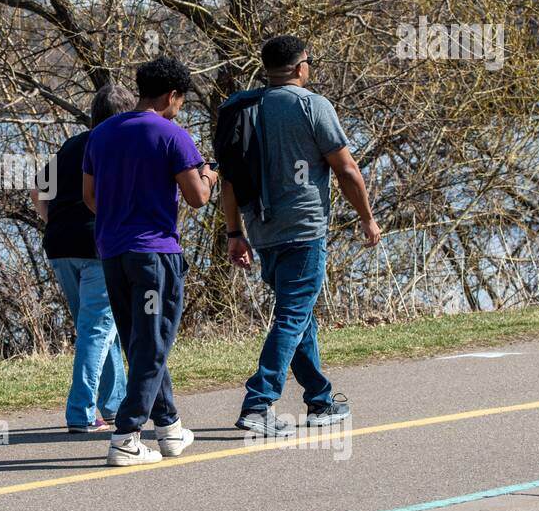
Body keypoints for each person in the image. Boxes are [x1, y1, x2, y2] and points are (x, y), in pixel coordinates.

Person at [221, 35, 381, 436]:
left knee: (299, 314)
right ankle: (259, 402)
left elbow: (228, 179)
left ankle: (320, 400)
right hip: (304, 228)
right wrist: (367, 218)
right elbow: (346, 169)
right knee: (293, 315)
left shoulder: (241, 108)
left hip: (261, 229)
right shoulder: (312, 105)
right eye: (308, 61)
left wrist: (234, 232)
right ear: (298, 67)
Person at [82, 56, 218, 466]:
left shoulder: (101, 134)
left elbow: (91, 199)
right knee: (154, 343)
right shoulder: (173, 135)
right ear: (173, 96)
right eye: (181, 101)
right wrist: (210, 174)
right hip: (155, 254)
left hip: (113, 251)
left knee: (140, 343)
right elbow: (197, 198)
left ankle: (170, 428)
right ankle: (125, 436)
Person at [32, 83, 136, 434]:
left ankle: (115, 405)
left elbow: (38, 190)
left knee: (101, 328)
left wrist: (53, 220)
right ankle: (81, 412)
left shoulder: (71, 145)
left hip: (60, 246)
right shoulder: (117, 145)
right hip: (96, 247)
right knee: (96, 329)